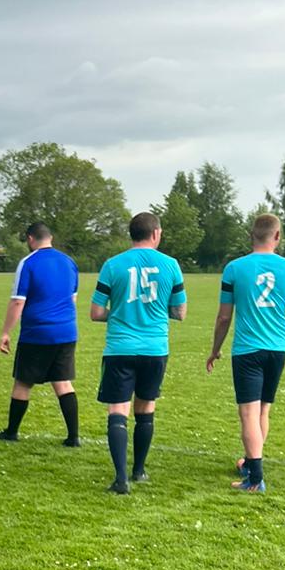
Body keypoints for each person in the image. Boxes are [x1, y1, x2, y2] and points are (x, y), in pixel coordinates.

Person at [206, 213, 285, 493]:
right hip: (277, 350)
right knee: (263, 410)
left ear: (251, 235)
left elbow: (224, 317)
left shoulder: (234, 269)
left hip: (247, 350)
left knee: (248, 413)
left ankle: (255, 478)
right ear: (277, 236)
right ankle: (251, 464)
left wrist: (215, 350)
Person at [90, 212, 186, 494]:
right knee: (146, 408)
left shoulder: (113, 264)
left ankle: (120, 479)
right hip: (155, 348)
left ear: (131, 234)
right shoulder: (171, 265)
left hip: (120, 348)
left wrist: (120, 313)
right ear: (155, 233)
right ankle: (139, 470)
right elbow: (180, 312)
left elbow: (96, 312)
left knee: (118, 410)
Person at [0, 221, 80, 446]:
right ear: (50, 238)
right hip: (66, 331)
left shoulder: (29, 263)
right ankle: (73, 437)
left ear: (30, 239)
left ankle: (11, 432)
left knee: (23, 382)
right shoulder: (69, 262)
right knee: (63, 383)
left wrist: (5, 332)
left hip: (38, 333)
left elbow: (17, 302)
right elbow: (73, 298)